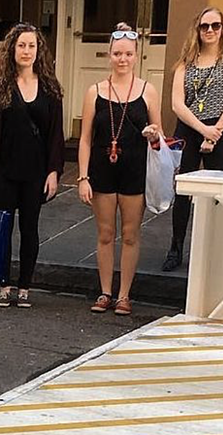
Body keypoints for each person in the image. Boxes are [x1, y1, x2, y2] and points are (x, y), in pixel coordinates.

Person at [0, 22, 65, 308]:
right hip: (3, 171)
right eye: (22, 45)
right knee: (3, 229)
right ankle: (4, 284)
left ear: (39, 51)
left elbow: (55, 136)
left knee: (30, 229)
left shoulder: (50, 89)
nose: (27, 51)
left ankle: (24, 286)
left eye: (32, 46)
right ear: (12, 49)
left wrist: (54, 171)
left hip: (35, 173)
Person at [77, 23, 163, 316]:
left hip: (134, 171)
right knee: (105, 233)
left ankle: (124, 295)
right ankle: (105, 291)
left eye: (127, 53)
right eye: (117, 53)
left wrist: (153, 135)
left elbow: (160, 138)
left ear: (136, 55)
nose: (122, 59)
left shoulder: (148, 91)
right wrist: (83, 177)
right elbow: (85, 138)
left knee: (129, 234)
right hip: (102, 170)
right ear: (109, 55)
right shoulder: (95, 92)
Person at [163, 7, 223, 272]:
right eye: (205, 26)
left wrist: (215, 131)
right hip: (189, 127)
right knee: (183, 189)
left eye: (216, 26)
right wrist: (201, 130)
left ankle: (213, 250)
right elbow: (177, 104)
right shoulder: (185, 62)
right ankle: (176, 246)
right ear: (197, 29)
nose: (210, 31)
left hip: (219, 129)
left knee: (216, 194)